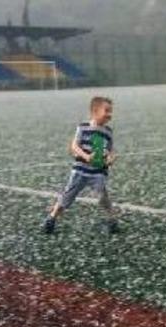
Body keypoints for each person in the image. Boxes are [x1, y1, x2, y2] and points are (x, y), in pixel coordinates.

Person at [43, 96, 118, 235]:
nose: (109, 114)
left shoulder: (108, 131)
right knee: (68, 195)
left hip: (98, 172)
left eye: (111, 111)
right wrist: (85, 156)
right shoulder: (83, 127)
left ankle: (112, 219)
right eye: (106, 111)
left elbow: (111, 150)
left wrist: (111, 158)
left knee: (103, 196)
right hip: (80, 170)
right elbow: (74, 146)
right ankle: (52, 218)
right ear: (95, 111)